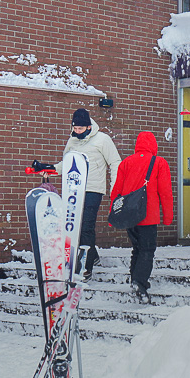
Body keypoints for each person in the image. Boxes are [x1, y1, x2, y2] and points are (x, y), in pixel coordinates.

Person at [109, 131, 172, 303]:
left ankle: (135, 279)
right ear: (154, 145)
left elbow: (116, 192)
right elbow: (165, 193)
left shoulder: (126, 163)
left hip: (130, 215)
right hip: (148, 216)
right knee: (147, 249)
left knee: (137, 248)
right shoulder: (159, 162)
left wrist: (113, 215)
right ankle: (139, 282)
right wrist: (167, 217)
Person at [59, 108, 121, 280]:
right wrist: (47, 169)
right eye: (75, 129)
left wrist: (113, 188)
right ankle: (92, 255)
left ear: (88, 126)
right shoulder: (72, 141)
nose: (77, 132)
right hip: (74, 189)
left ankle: (86, 266)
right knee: (75, 225)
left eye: (80, 129)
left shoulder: (102, 139)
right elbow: (66, 163)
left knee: (86, 225)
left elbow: (115, 162)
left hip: (94, 189)